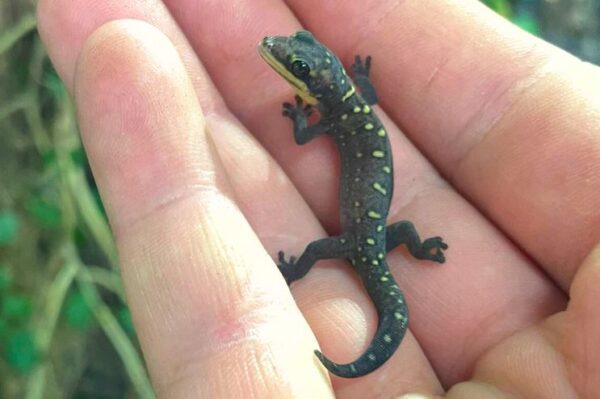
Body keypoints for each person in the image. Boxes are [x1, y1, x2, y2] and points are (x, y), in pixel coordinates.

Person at [37, 0, 600, 397]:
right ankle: (329, 265)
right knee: (348, 249)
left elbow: (306, 136)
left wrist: (300, 121)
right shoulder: (352, 107)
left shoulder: (335, 119)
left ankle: (297, 271)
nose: (285, 54)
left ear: (319, 88)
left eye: (299, 63)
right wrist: (418, 245)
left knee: (327, 251)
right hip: (372, 236)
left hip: (362, 240)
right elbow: (357, 103)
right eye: (298, 56)